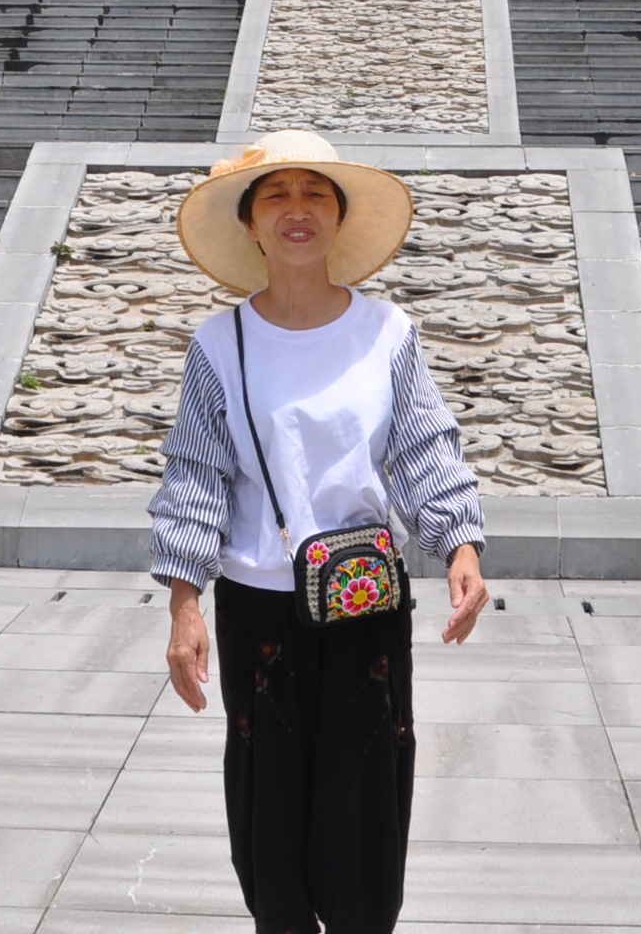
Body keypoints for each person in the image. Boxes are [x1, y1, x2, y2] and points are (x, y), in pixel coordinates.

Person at [149, 129, 487, 934]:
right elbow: (195, 476)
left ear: (338, 217)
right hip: (258, 608)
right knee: (268, 808)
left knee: (366, 804)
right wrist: (184, 607)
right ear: (250, 223)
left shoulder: (388, 334)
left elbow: (423, 448)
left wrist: (461, 546)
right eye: (276, 194)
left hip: (365, 606)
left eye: (314, 194)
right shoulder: (219, 345)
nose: (296, 210)